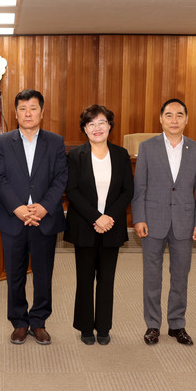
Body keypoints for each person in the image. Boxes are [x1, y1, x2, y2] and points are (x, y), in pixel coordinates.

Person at [0, 89, 67, 345]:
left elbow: (61, 177)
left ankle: (38, 321)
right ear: (15, 113)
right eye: (23, 109)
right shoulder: (3, 141)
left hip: (44, 219)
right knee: (14, 274)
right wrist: (18, 208)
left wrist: (44, 207)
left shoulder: (55, 142)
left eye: (33, 108)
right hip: (13, 218)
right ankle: (19, 322)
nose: (28, 113)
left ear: (42, 112)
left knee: (43, 274)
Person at [132, 99, 196, 346]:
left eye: (179, 115)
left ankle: (177, 325)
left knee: (180, 276)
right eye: (169, 115)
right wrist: (139, 218)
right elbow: (139, 187)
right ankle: (153, 325)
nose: (174, 120)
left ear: (186, 119)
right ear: (161, 119)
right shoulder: (147, 147)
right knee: (152, 276)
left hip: (185, 222)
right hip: (152, 220)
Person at [64, 105, 133, 346]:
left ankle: (103, 327)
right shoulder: (75, 155)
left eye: (102, 122)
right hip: (84, 225)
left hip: (111, 226)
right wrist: (96, 217)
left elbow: (127, 191)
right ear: (84, 129)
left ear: (109, 126)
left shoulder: (121, 154)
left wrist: (108, 217)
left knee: (107, 280)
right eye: (91, 124)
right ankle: (85, 327)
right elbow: (72, 190)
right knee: (84, 279)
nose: (97, 128)